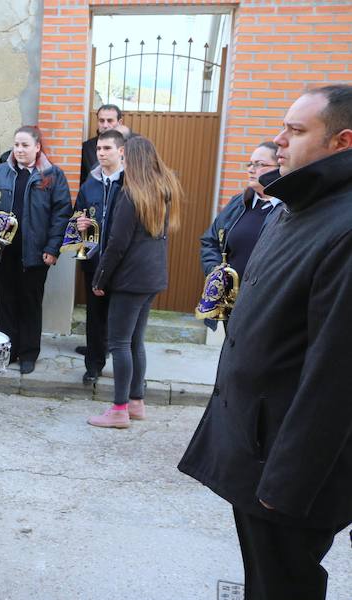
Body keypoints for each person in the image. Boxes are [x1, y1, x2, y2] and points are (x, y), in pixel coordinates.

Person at [179, 85, 352, 600]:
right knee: (264, 575)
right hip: (258, 445)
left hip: (290, 467)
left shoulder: (343, 228)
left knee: (285, 582)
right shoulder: (294, 204)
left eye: (296, 131)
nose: (279, 141)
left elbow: (335, 378)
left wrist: (287, 484)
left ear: (343, 142)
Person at [87, 135, 182, 429]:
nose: (122, 160)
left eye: (125, 156)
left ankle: (118, 410)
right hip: (151, 277)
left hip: (130, 279)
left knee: (119, 343)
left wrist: (99, 277)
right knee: (135, 341)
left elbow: (117, 243)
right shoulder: (163, 191)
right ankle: (136, 402)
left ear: (134, 160)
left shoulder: (132, 194)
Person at [0, 125, 71, 375]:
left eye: (25, 145)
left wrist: (53, 248)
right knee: (7, 301)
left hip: (36, 254)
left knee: (30, 303)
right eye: (16, 144)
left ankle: (28, 353)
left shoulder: (52, 176)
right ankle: (10, 350)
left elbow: (61, 214)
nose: (19, 150)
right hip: (3, 251)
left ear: (37, 147)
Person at [198, 142, 282, 330]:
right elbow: (209, 241)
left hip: (264, 306)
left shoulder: (287, 209)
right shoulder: (238, 202)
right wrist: (216, 272)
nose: (251, 170)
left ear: (279, 168)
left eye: (260, 164)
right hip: (231, 304)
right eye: (250, 164)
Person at [72, 129, 125, 385]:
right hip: (94, 261)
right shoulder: (89, 184)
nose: (102, 153)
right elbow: (75, 221)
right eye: (99, 149)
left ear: (121, 151)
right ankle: (93, 366)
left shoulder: (131, 183)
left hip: (123, 265)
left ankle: (126, 371)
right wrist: (78, 224)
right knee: (95, 317)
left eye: (107, 149)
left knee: (122, 323)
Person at [80, 104, 123, 185]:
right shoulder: (87, 148)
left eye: (110, 121)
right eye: (101, 121)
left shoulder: (129, 146)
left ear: (119, 122)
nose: (105, 125)